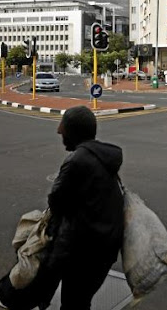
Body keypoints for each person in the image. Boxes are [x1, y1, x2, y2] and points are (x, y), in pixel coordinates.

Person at [37, 106, 125, 309]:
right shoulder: (102, 156)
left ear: (73, 131)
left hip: (85, 250)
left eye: (63, 128)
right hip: (106, 246)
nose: (59, 132)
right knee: (80, 300)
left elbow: (56, 201)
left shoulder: (77, 160)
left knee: (73, 302)